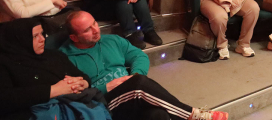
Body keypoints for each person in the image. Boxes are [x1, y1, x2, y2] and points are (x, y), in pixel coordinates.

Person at [61, 11, 226, 120]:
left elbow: (138, 56)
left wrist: (135, 75)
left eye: (95, 23)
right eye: (87, 30)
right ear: (74, 37)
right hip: (102, 102)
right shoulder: (64, 58)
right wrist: (106, 87)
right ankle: (192, 115)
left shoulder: (111, 40)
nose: (96, 30)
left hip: (131, 94)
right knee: (139, 83)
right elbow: (69, 95)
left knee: (158, 115)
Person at [0, 18, 104, 120]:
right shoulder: (2, 63)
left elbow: (82, 76)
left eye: (42, 33)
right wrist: (54, 90)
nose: (42, 39)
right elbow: (3, 99)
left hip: (73, 107)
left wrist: (82, 83)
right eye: (35, 36)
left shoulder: (55, 55)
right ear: (20, 40)